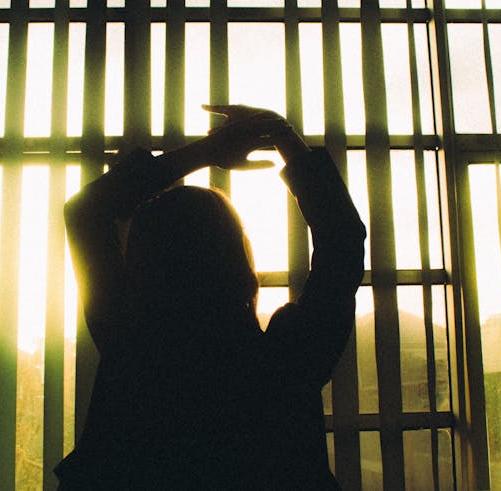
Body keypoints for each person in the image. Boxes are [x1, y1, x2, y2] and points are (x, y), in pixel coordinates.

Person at [55, 105, 366, 490]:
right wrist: (282, 135)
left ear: (140, 264)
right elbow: (342, 242)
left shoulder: (130, 346)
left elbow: (85, 211)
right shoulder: (286, 361)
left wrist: (206, 151)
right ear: (238, 258)